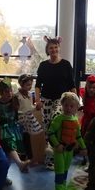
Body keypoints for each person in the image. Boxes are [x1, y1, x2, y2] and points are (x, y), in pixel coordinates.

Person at [34, 36, 77, 168]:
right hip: (46, 99)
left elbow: (72, 85)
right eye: (51, 48)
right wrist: (37, 100)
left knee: (55, 119)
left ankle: (57, 151)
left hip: (62, 100)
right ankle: (50, 158)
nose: (53, 50)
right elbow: (38, 85)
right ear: (47, 50)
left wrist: (76, 102)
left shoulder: (66, 64)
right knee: (47, 127)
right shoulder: (43, 65)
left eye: (55, 47)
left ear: (59, 48)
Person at [48, 92, 87, 190]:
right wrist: (57, 145)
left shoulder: (75, 119)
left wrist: (83, 147)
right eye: (66, 105)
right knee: (60, 172)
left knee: (65, 171)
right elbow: (50, 133)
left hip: (70, 151)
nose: (68, 108)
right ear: (62, 105)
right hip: (60, 151)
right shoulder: (59, 119)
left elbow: (78, 136)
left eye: (72, 106)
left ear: (76, 107)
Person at [0, 78, 29, 173]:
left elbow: (18, 114)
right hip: (3, 130)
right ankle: (20, 164)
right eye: (6, 91)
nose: (9, 93)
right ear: (1, 92)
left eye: (10, 91)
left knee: (8, 154)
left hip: (14, 129)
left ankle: (4, 174)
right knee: (10, 146)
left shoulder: (14, 101)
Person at [15, 74, 45, 165]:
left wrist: (36, 108)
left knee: (27, 139)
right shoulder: (17, 96)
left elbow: (30, 107)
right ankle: (23, 159)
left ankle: (30, 158)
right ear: (21, 84)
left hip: (28, 119)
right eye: (28, 85)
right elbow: (16, 110)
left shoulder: (29, 94)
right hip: (20, 120)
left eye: (31, 84)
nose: (30, 87)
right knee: (22, 140)